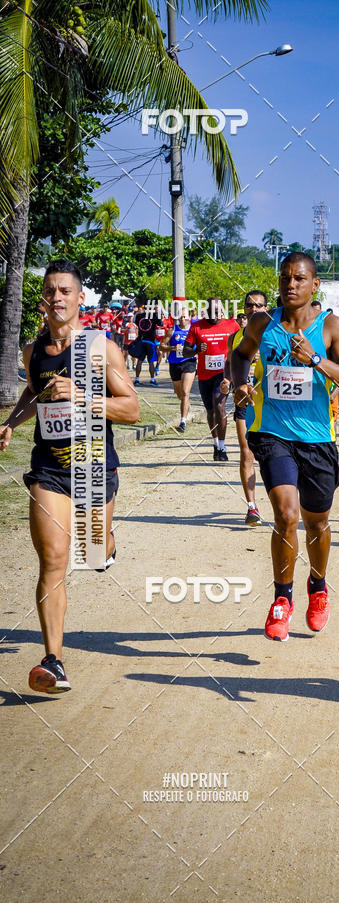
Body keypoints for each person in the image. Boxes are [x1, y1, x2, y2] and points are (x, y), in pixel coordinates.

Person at [0, 260, 139, 694]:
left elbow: (132, 409)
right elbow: (33, 392)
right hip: (50, 470)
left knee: (94, 550)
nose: (56, 298)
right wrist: (11, 423)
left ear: (81, 299)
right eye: (50, 291)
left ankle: (107, 544)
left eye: (65, 291)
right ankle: (53, 661)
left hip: (95, 465)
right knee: (54, 560)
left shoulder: (101, 348)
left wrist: (82, 396)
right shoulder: (33, 351)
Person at [231, 252, 339, 642]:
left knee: (317, 522)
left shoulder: (332, 326)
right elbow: (238, 356)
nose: (291, 285)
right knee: (287, 515)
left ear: (314, 284)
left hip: (317, 440)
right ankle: (281, 599)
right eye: (285, 278)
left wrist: (317, 360)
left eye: (300, 279)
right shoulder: (262, 321)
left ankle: (318, 587)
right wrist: (240, 383)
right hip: (272, 434)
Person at [220, 291, 269, 525]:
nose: (253, 309)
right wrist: (228, 380)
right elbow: (230, 362)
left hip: (270, 401)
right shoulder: (235, 337)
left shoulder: (275, 332)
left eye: (259, 305)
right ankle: (252, 506)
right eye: (249, 305)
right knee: (246, 450)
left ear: (266, 308)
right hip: (245, 398)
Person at [183, 297, 238, 461]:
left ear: (221, 310)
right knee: (210, 410)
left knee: (219, 406)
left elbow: (240, 347)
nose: (213, 315)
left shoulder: (232, 325)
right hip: (205, 375)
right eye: (210, 311)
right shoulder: (196, 326)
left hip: (224, 374)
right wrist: (196, 350)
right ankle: (215, 444)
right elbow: (185, 351)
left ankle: (223, 447)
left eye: (216, 311)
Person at [161, 309, 195, 432]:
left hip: (189, 363)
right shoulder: (172, 330)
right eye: (180, 317)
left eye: (184, 317)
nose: (182, 319)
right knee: (180, 394)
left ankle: (183, 422)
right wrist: (173, 347)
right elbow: (161, 346)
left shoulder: (194, 330)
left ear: (189, 317)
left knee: (186, 392)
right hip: (174, 364)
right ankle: (186, 405)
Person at [133, 305, 161, 386]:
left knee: (139, 361)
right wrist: (157, 314)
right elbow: (160, 323)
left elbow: (136, 324)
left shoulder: (139, 316)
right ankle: (152, 379)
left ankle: (137, 379)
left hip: (142, 341)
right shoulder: (154, 316)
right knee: (151, 362)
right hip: (150, 342)